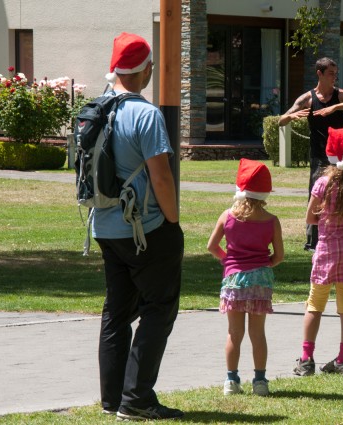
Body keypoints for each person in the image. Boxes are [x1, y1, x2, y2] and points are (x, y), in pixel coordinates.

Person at [94, 32, 185, 421]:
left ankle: (112, 399)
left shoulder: (94, 109)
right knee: (159, 309)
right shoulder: (145, 114)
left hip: (105, 226)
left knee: (116, 312)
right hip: (145, 227)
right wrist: (173, 220)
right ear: (144, 69)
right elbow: (161, 177)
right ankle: (137, 400)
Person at [293, 126, 343, 376]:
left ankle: (306, 359)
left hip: (328, 251)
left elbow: (311, 218)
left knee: (315, 304)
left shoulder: (323, 184)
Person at [207, 158, 284, 396]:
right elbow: (279, 256)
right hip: (260, 279)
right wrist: (266, 263)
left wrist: (226, 260)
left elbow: (212, 246)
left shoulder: (227, 216)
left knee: (234, 333)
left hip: (234, 279)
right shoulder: (271, 221)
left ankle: (231, 381)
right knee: (257, 333)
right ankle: (260, 381)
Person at [278, 57, 343, 252]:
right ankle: (313, 242)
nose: (335, 77)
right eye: (331, 73)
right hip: (318, 156)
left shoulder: (341, 95)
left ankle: (341, 235)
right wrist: (290, 116)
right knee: (316, 196)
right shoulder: (307, 99)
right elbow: (281, 121)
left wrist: (335, 107)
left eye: (336, 73)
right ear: (320, 73)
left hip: (341, 155)